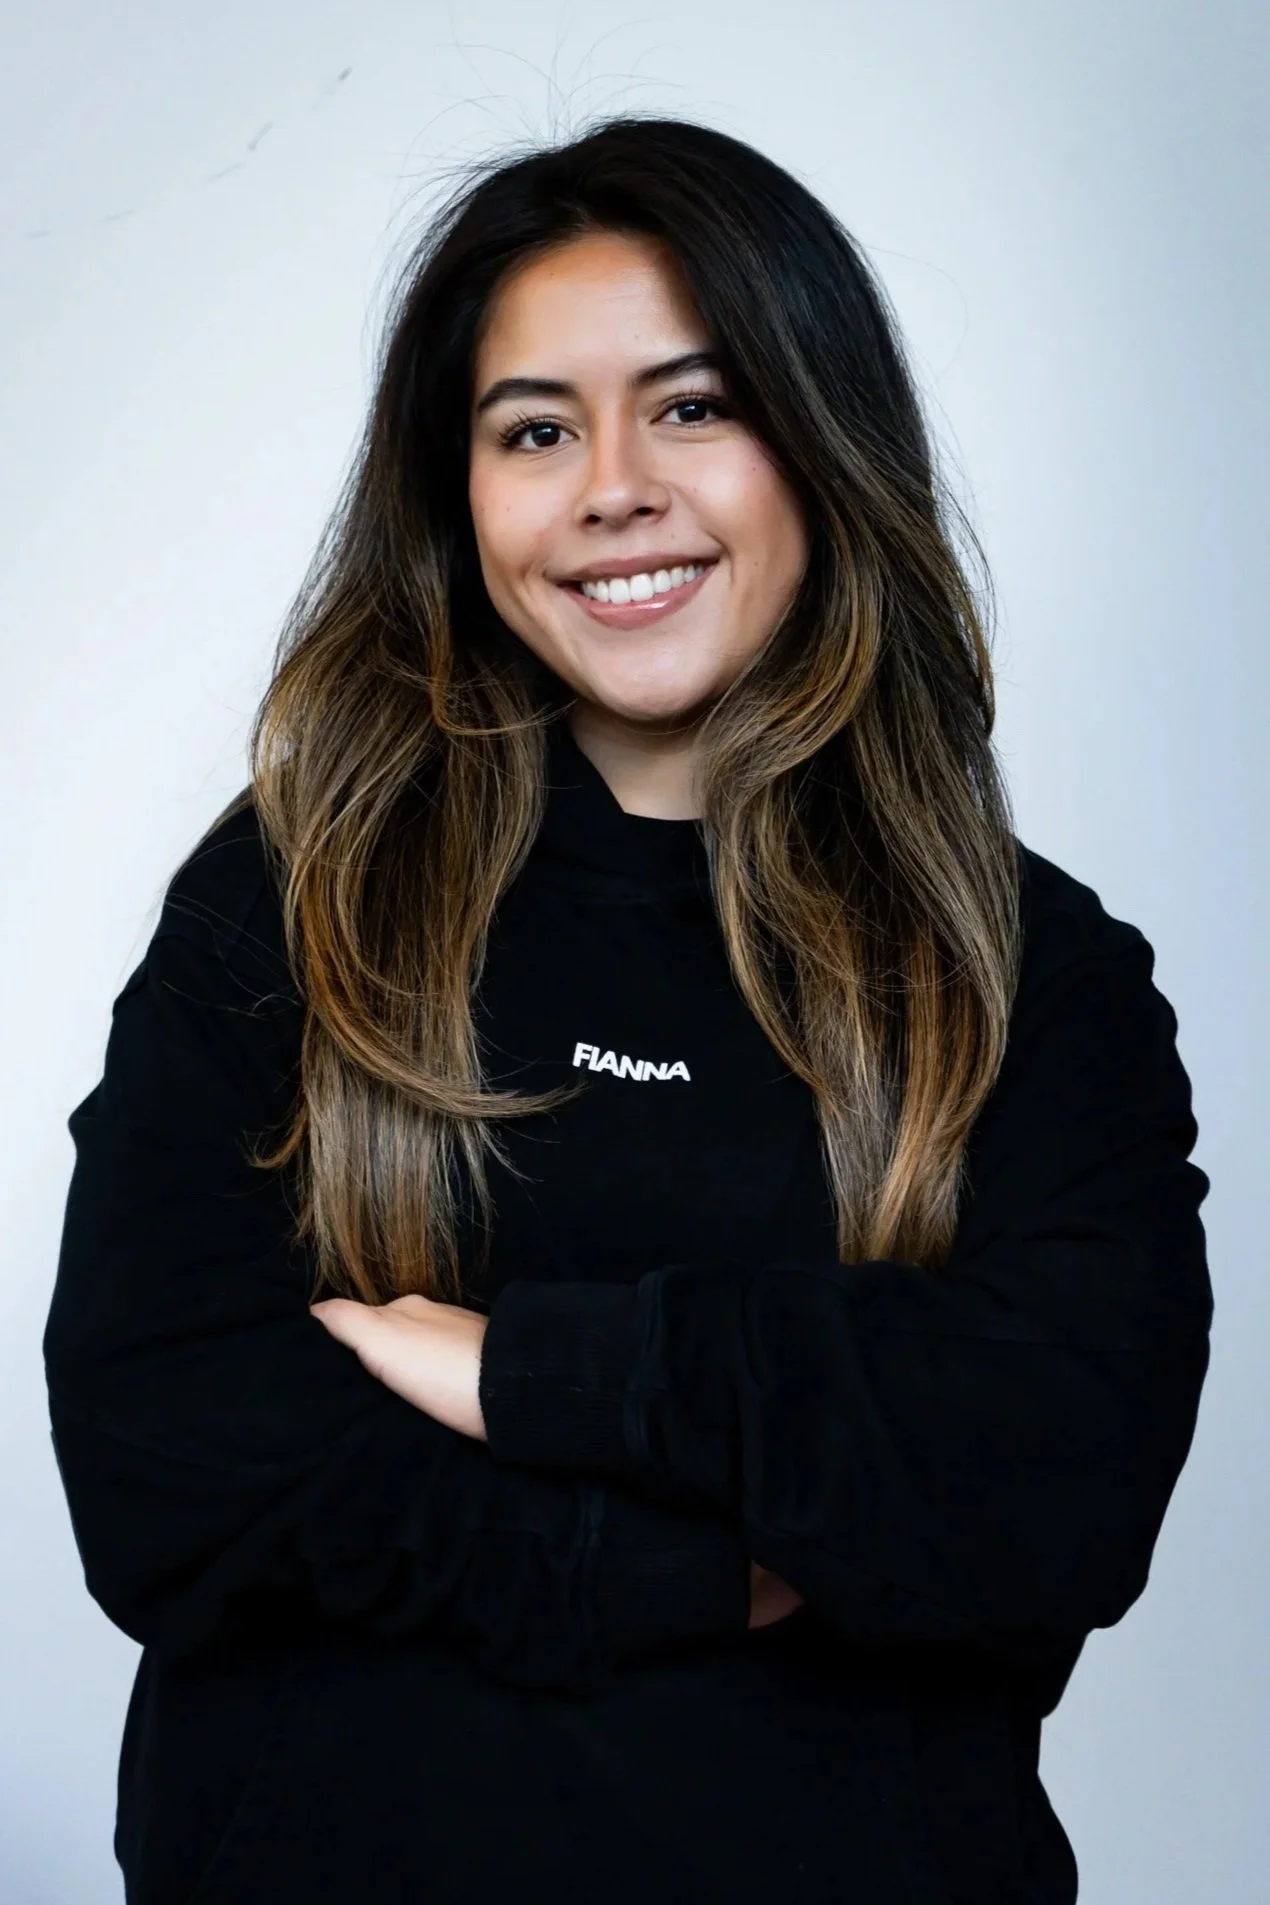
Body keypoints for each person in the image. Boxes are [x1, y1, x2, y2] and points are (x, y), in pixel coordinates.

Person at [44, 115, 1212, 1905]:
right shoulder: (291, 902)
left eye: (694, 405)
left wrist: (525, 1369)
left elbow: (1057, 1479)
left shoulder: (1028, 972)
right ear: (458, 496)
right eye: (534, 429)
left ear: (820, 440)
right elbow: (162, 1464)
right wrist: (712, 1558)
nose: (612, 487)